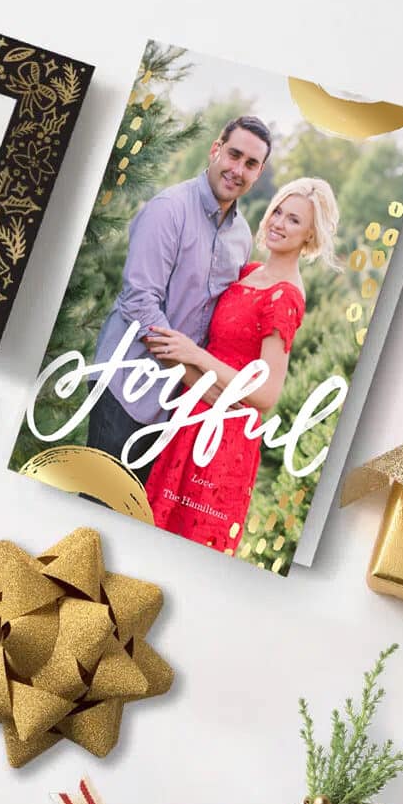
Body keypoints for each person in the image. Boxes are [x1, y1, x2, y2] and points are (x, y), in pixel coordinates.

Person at [142, 177, 340, 551]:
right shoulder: (249, 273)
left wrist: (195, 355)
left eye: (294, 220)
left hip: (224, 437)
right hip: (192, 413)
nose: (279, 223)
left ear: (310, 235)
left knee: (188, 542)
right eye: (277, 212)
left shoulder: (285, 298)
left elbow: (265, 393)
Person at [87, 116, 273, 483]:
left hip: (174, 405)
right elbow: (140, 304)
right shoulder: (168, 209)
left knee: (132, 514)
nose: (238, 170)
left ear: (259, 172)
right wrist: (197, 381)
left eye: (250, 164)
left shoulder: (241, 237)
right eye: (233, 155)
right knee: (99, 502)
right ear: (215, 149)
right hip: (125, 387)